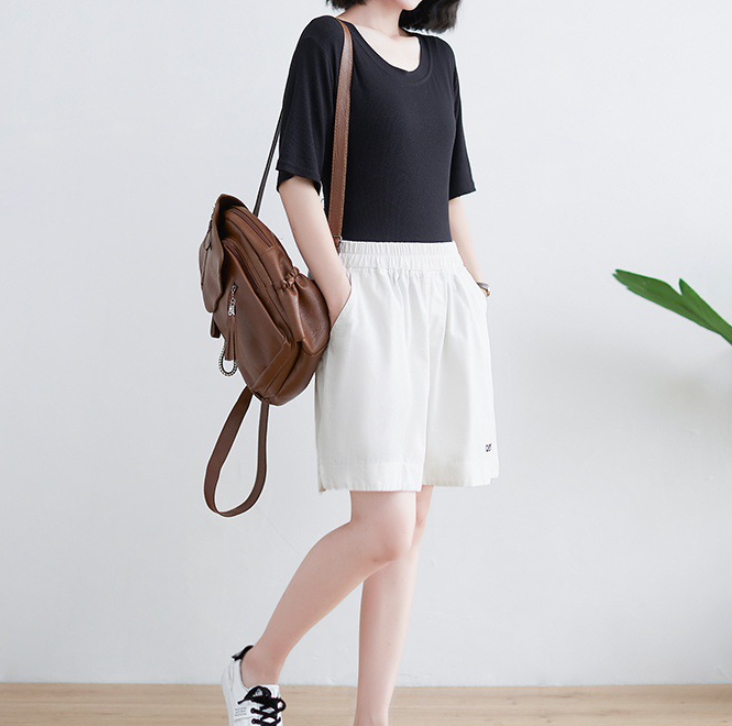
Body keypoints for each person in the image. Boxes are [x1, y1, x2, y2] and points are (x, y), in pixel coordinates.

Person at [220, 2, 499, 724]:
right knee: (385, 528)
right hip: (366, 293)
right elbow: (297, 183)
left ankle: (371, 719)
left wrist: (475, 292)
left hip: (442, 297)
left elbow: (452, 196)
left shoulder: (440, 61)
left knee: (411, 527)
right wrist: (344, 299)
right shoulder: (327, 42)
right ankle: (255, 668)